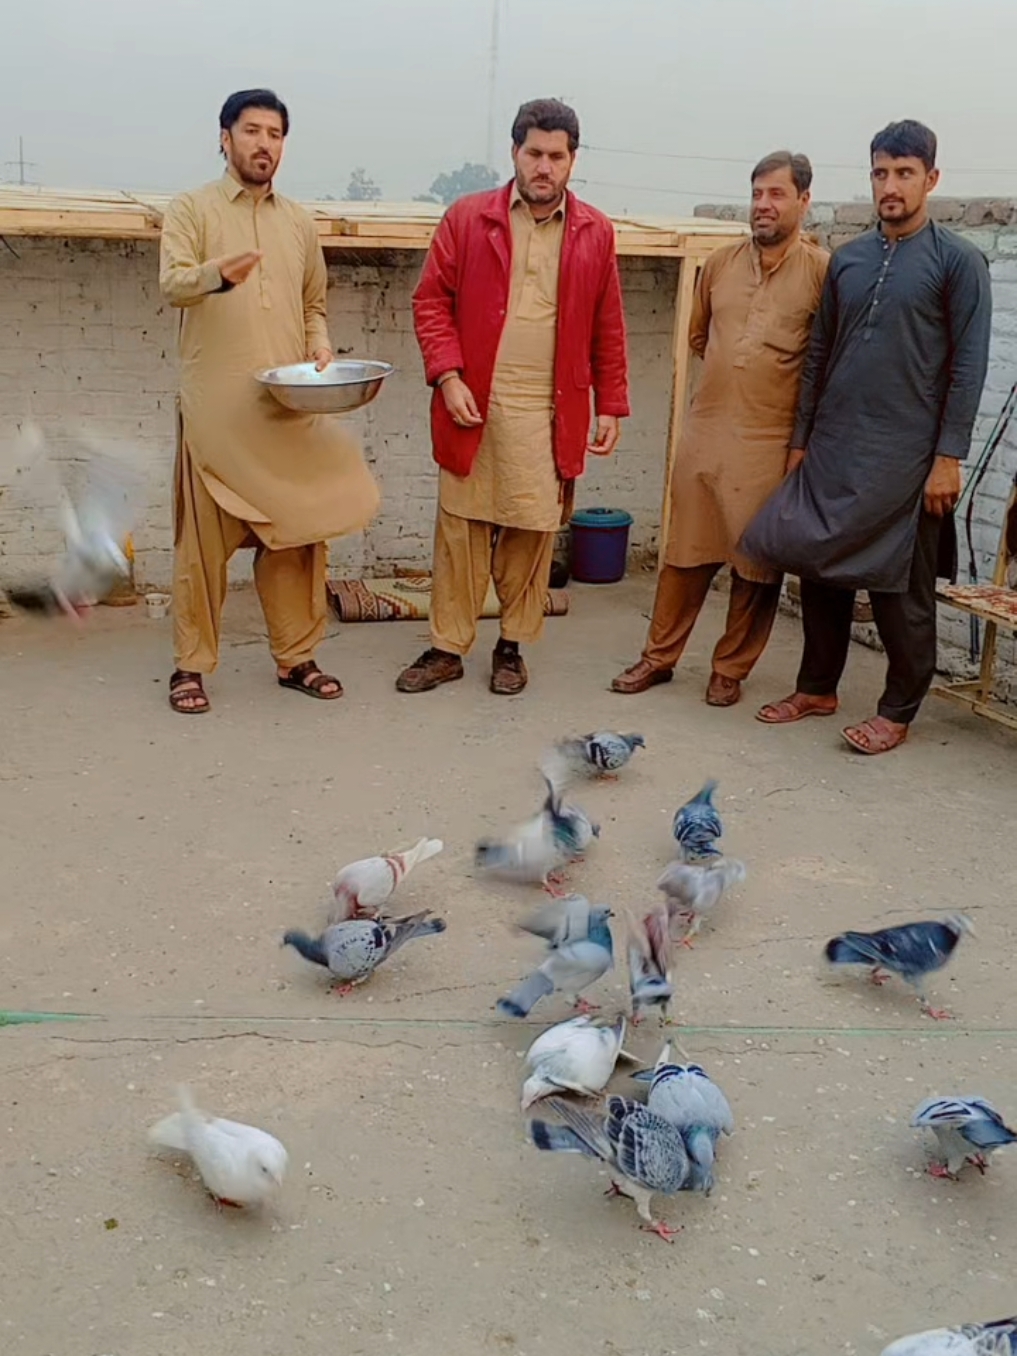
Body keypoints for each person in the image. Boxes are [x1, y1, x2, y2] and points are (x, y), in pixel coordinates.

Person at [743, 119, 992, 754]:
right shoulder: (849, 259)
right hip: (834, 446)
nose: (891, 186)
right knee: (819, 569)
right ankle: (816, 688)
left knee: (900, 590)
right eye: (881, 173)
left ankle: (897, 709)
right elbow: (819, 353)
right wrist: (801, 440)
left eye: (905, 173)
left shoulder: (958, 261)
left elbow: (968, 367)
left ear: (931, 179)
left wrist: (948, 457)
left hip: (907, 457)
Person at [396, 98, 630, 696]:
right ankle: (446, 648)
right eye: (534, 153)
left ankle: (511, 647)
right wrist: (448, 375)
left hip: (548, 408)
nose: (544, 167)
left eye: (556, 156)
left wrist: (610, 403)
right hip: (474, 401)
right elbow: (431, 301)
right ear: (514, 153)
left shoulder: (595, 231)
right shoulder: (468, 218)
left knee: (531, 533)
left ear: (573, 161)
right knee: (461, 531)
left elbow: (608, 322)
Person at [159, 89, 379, 714]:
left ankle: (296, 657)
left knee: (300, 538)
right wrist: (218, 274)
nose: (264, 144)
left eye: (275, 134)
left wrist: (320, 346)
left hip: (284, 408)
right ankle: (190, 665)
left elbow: (313, 304)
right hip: (217, 412)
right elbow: (172, 284)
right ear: (224, 137)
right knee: (202, 547)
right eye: (252, 130)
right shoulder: (191, 209)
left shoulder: (299, 223)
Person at [612, 150, 828, 705]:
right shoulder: (719, 265)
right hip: (706, 430)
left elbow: (825, 362)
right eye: (757, 194)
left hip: (771, 440)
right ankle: (658, 658)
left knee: (756, 565)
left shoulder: (823, 274)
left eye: (776, 194)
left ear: (804, 201)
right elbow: (700, 336)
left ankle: (729, 670)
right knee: (684, 552)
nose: (763, 205)